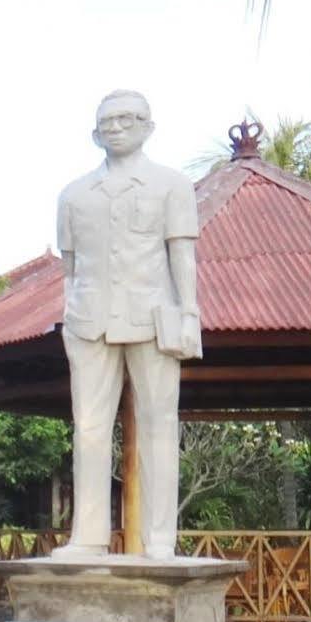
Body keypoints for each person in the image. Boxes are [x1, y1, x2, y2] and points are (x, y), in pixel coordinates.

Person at [52, 89, 201, 560]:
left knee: (160, 424)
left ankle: (160, 540)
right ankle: (88, 536)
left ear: (147, 127)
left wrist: (190, 314)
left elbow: (182, 252)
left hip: (154, 316)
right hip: (88, 320)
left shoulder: (172, 185)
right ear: (94, 134)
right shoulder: (73, 194)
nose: (115, 128)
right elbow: (70, 268)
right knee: (89, 427)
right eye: (107, 122)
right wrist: (70, 317)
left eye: (126, 119)